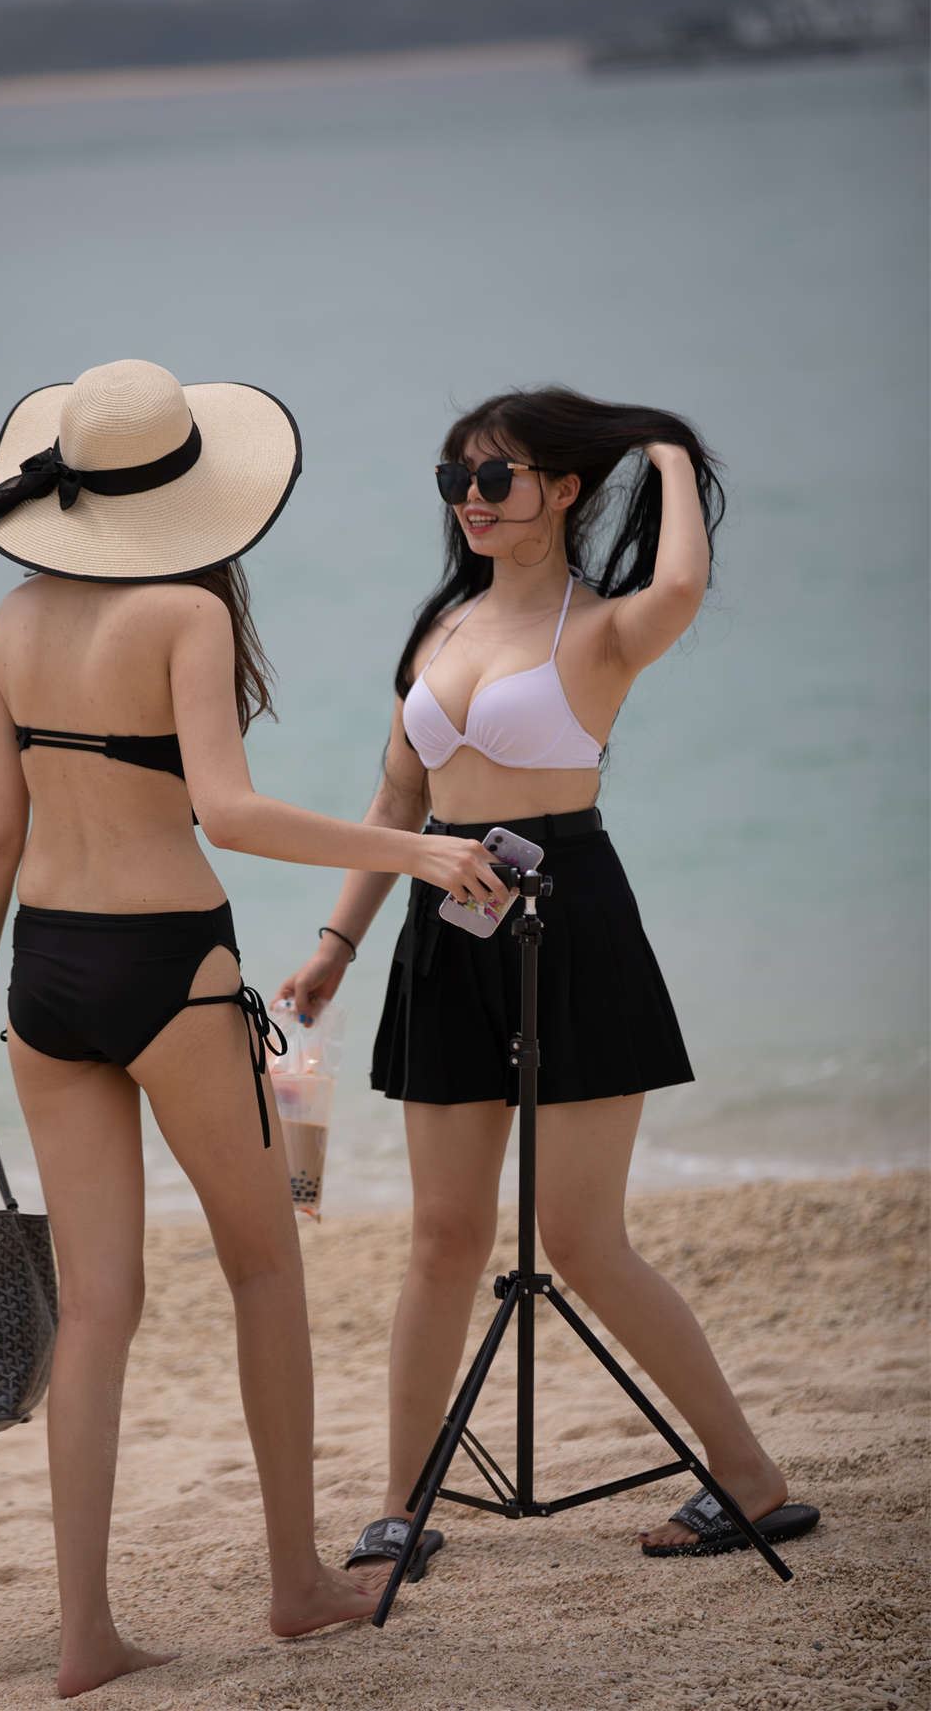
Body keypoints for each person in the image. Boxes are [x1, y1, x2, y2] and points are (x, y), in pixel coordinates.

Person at [0, 360, 506, 1699]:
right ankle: (296, 1582)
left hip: (42, 981)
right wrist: (416, 848)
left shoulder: (15, 618)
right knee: (262, 1271)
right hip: (170, 972)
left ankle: (85, 1637)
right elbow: (230, 814)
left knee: (97, 1309)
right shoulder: (187, 611)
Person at [278, 386, 819, 1580]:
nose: (470, 501)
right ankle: (401, 1508)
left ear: (564, 489)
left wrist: (666, 451)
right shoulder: (440, 628)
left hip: (570, 922)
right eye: (455, 481)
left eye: (495, 478)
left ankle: (748, 1476)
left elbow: (683, 581)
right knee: (443, 1235)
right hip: (443, 922)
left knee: (580, 1235)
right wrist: (335, 945)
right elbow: (397, 801)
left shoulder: (605, 627)